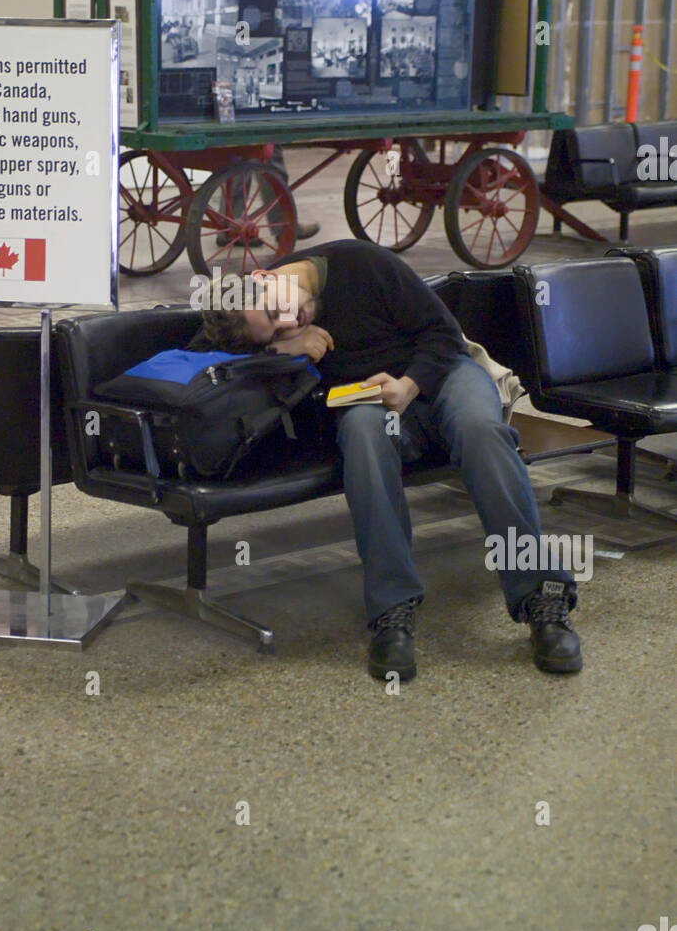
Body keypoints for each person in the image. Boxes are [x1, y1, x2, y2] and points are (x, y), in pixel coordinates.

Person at [196, 239, 581, 681]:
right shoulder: (261, 321)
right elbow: (203, 353)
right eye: (274, 329)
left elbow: (443, 334)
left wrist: (410, 385)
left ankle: (541, 597)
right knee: (361, 434)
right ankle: (391, 608)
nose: (288, 322)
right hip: (368, 397)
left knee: (481, 432)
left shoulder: (361, 263)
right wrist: (279, 351)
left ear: (263, 277)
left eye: (274, 312)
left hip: (440, 374)